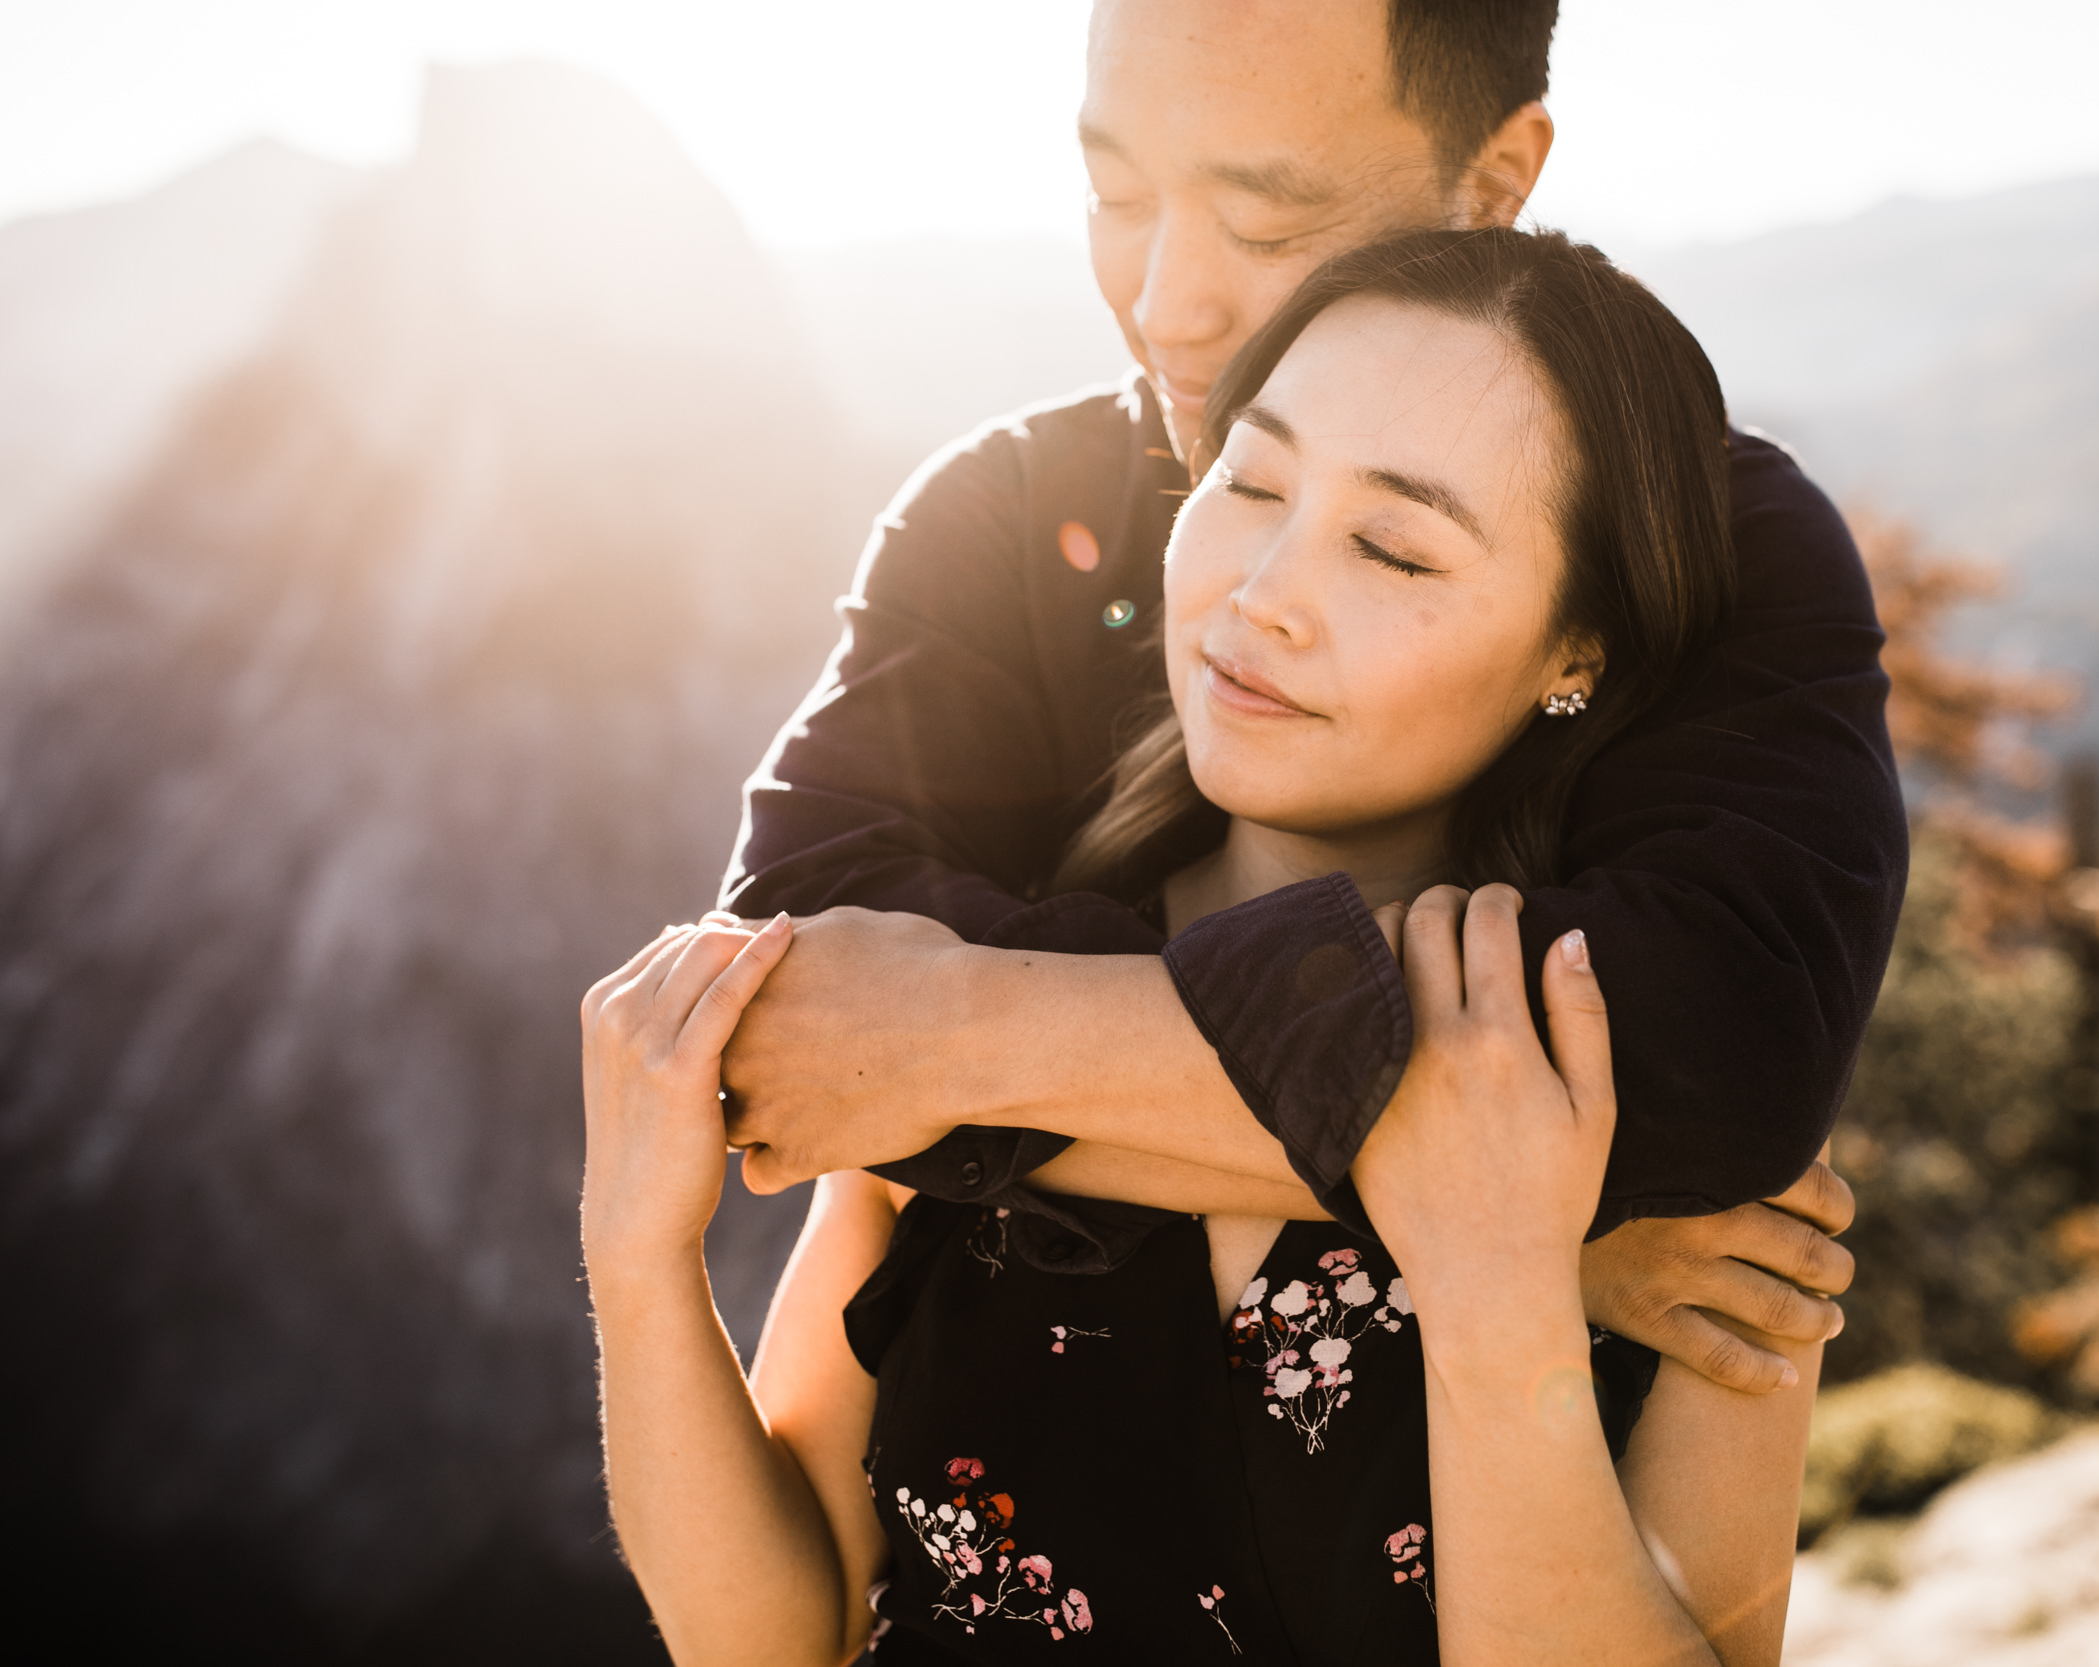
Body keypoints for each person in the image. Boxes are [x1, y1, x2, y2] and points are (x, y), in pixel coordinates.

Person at [586, 226, 1828, 1666]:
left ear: (1578, 655)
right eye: (1251, 479)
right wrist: (639, 1261)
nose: (1263, 593)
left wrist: (1502, 1297)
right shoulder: (944, 1014)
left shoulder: (1660, 1138)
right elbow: (773, 1638)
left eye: (1393, 546)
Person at [709, 0, 1899, 1394]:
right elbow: (786, 1019)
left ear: (1498, 178)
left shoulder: (1694, 534)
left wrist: (960, 1029)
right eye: (1116, 193)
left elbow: (1716, 1050)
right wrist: (1503, 1224)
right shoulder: (1006, 512)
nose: (1165, 305)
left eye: (1268, 224)